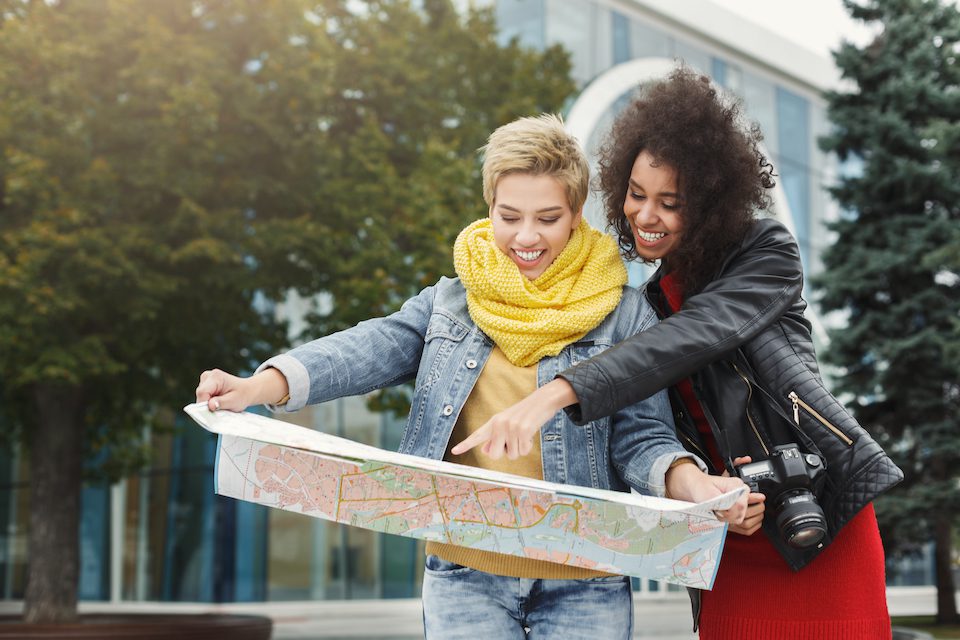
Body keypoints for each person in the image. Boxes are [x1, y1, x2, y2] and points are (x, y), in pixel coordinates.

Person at [195, 114, 748, 640]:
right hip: (464, 577)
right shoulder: (451, 303)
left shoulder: (623, 313)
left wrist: (698, 488)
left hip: (586, 579)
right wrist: (255, 387)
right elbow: (365, 348)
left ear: (577, 214)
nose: (525, 237)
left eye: (548, 218)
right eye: (509, 216)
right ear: (489, 208)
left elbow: (641, 438)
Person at [452, 70, 903, 639]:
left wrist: (554, 394)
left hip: (815, 512)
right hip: (732, 524)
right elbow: (651, 429)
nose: (646, 216)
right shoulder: (643, 303)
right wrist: (699, 491)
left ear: (711, 204)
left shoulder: (766, 254)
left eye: (671, 202)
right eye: (637, 195)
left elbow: (692, 337)